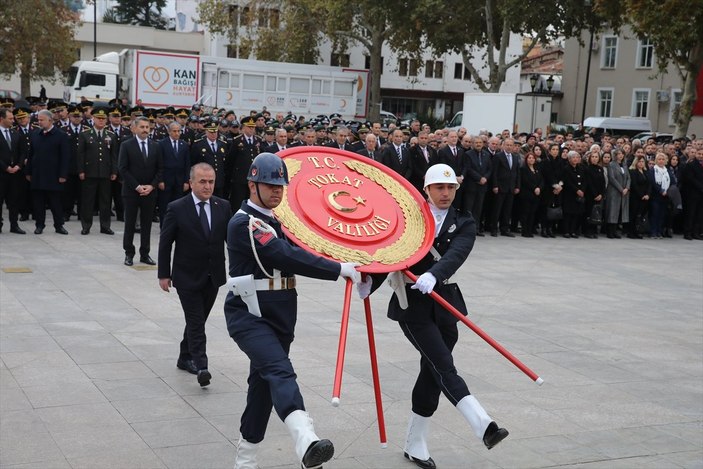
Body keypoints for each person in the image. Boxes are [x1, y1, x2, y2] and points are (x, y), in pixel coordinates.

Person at [358, 164, 508, 469]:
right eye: (439, 188)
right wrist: (369, 283)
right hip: (412, 306)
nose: (445, 193)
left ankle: (415, 442)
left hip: (446, 306)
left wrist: (434, 274)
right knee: (443, 364)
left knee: (432, 373)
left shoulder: (463, 221)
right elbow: (391, 252)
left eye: (450, 188)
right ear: (426, 189)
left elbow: (456, 254)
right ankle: (483, 424)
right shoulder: (409, 218)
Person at [225, 153, 361, 469]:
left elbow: (304, 248)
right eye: (269, 184)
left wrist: (348, 256)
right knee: (280, 371)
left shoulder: (274, 221)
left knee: (262, 386)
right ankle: (306, 440)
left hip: (280, 315)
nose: (276, 190)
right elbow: (283, 255)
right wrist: (337, 269)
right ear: (252, 184)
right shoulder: (244, 224)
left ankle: (244, 460)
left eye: (280, 185)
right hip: (250, 315)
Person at [158, 163, 231, 386]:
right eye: (202, 181)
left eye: (211, 181)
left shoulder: (223, 206)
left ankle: (184, 356)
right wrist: (164, 274)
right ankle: (201, 365)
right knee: (197, 322)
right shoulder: (177, 208)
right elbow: (165, 242)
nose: (207, 186)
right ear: (191, 183)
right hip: (186, 276)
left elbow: (232, 240)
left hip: (213, 276)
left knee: (198, 319)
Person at [118, 116, 163, 266]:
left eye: (147, 127)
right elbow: (123, 169)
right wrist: (137, 186)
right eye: (142, 127)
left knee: (146, 224)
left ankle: (145, 253)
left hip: (150, 192)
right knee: (130, 223)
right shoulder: (126, 145)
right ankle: (129, 253)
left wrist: (152, 186)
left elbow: (160, 169)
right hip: (131, 191)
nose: (145, 130)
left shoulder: (156, 146)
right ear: (134, 128)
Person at [26, 109, 70, 235]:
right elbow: (31, 155)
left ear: (50, 120)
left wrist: (63, 175)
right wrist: (28, 172)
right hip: (38, 174)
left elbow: (65, 157)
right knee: (38, 203)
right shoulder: (35, 134)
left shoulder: (61, 135)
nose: (39, 122)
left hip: (54, 175)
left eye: (42, 120)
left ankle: (59, 225)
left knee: (55, 202)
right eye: (38, 120)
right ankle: (39, 225)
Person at [76, 107, 118, 235]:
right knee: (88, 201)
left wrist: (114, 171)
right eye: (98, 118)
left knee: (105, 201)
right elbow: (80, 155)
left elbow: (114, 156)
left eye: (103, 119)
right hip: (89, 172)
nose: (101, 121)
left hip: (105, 173)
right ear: (93, 119)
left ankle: (105, 226)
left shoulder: (111, 135)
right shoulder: (85, 134)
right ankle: (86, 226)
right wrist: (81, 171)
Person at [157, 122, 190, 225]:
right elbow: (159, 163)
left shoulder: (184, 145)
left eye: (179, 131)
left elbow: (187, 164)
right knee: (164, 204)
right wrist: (160, 180)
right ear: (169, 132)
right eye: (174, 131)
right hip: (166, 180)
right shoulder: (162, 144)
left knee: (178, 204)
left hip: (179, 180)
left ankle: (177, 225)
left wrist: (186, 181)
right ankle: (164, 225)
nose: (177, 133)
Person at [0, 108, 27, 234]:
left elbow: (23, 152)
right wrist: (5, 167)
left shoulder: (16, 133)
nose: (13, 120)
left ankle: (14, 225)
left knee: (14, 200)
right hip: (1, 173)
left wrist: (18, 165)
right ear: (2, 119)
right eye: (10, 118)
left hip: (15, 174)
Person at [647, 152, 675, 239]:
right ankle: (653, 232)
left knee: (662, 214)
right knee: (655, 214)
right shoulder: (653, 170)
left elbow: (673, 182)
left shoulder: (667, 171)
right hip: (656, 196)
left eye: (663, 159)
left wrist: (668, 191)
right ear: (656, 160)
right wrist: (661, 190)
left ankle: (659, 231)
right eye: (659, 159)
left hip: (666, 196)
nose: (661, 161)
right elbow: (652, 182)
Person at [679, 146, 703, 240]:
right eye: (699, 154)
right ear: (695, 154)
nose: (701, 156)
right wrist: (701, 187)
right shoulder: (691, 164)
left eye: (702, 154)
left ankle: (696, 232)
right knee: (691, 213)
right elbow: (690, 179)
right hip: (693, 193)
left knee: (700, 214)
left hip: (701, 194)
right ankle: (687, 232)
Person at [606, 149, 630, 238]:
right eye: (618, 154)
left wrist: (627, 188)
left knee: (620, 211)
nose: (620, 155)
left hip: (624, 192)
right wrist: (621, 189)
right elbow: (612, 178)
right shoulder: (611, 165)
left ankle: (616, 230)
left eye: (622, 154)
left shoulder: (624, 165)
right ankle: (610, 231)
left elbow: (628, 177)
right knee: (612, 211)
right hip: (614, 191)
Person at [561, 151, 585, 238]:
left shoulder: (581, 168)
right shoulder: (566, 168)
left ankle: (573, 231)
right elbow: (567, 182)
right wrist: (576, 190)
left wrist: (582, 190)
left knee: (576, 213)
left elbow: (584, 181)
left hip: (579, 194)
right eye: (573, 157)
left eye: (577, 157)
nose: (575, 159)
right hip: (569, 194)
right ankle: (566, 231)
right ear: (569, 159)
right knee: (568, 213)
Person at [519, 152, 543, 237]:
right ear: (526, 159)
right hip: (527, 194)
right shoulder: (523, 169)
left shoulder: (537, 168)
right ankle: (525, 230)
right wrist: (534, 188)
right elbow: (525, 181)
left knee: (532, 213)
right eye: (529, 158)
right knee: (526, 212)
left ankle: (530, 230)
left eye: (533, 158)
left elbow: (541, 179)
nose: (531, 159)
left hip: (536, 194)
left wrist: (539, 187)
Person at [583, 150, 606, 239]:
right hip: (590, 195)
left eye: (596, 157)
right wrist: (595, 194)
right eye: (593, 157)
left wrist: (601, 194)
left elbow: (603, 183)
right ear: (589, 158)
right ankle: (587, 231)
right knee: (589, 213)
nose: (594, 159)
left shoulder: (600, 169)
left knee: (596, 213)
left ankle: (594, 230)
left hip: (599, 195)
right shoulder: (587, 169)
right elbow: (589, 183)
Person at [627, 156, 650, 239]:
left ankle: (638, 231)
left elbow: (649, 184)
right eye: (639, 161)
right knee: (633, 214)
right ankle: (631, 232)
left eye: (643, 161)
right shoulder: (633, 171)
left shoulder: (646, 171)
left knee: (640, 215)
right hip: (635, 197)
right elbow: (634, 185)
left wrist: (648, 194)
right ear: (636, 162)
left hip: (645, 197)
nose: (641, 163)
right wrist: (641, 195)